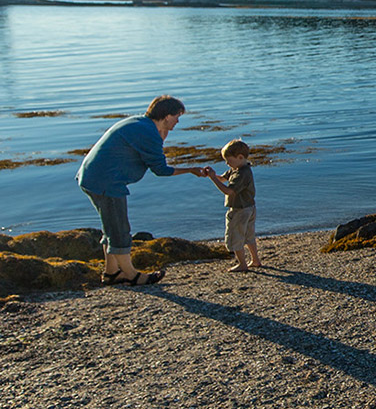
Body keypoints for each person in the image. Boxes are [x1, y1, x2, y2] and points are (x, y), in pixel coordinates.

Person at [77, 95, 206, 285]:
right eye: (177, 116)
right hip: (106, 182)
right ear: (166, 115)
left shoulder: (140, 124)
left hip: (93, 176)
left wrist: (161, 137)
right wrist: (191, 170)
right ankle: (133, 275)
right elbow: (160, 170)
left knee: (111, 227)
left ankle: (112, 273)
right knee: (120, 230)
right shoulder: (148, 133)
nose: (178, 121)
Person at [204, 139, 260, 272]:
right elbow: (223, 179)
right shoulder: (237, 168)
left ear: (240, 157)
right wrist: (211, 175)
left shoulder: (242, 173)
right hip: (250, 207)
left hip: (240, 210)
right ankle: (255, 260)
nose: (227, 163)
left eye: (228, 160)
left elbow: (229, 191)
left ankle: (242, 264)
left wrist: (212, 179)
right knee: (248, 235)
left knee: (236, 236)